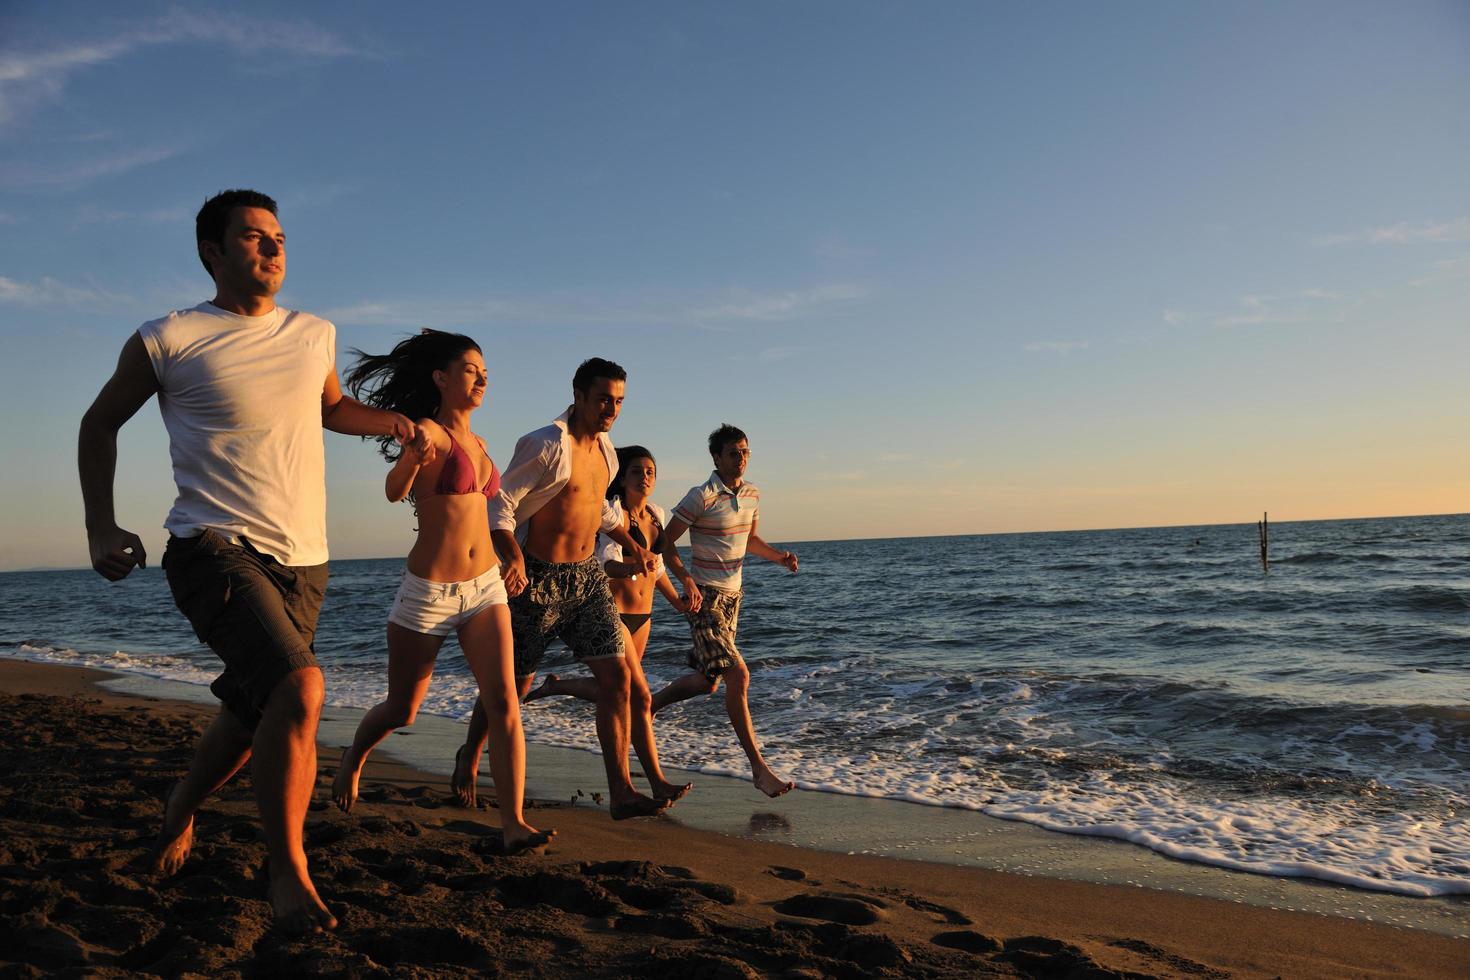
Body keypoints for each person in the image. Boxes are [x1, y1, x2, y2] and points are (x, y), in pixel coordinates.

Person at [77, 189, 416, 934]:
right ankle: (288, 871)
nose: (273, 250)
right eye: (256, 239)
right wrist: (101, 525)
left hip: (307, 559)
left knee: (248, 710)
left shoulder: (314, 333)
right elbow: (99, 422)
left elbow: (328, 410)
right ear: (213, 252)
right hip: (212, 546)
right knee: (299, 689)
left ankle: (179, 808)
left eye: (280, 239)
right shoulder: (170, 337)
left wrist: (395, 423)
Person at [327, 331, 551, 856]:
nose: (483, 378)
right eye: (472, 369)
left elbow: (491, 513)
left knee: (504, 702)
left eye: (485, 371)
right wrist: (410, 455)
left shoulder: (481, 444)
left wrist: (512, 556)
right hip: (428, 592)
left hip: (484, 589)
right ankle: (354, 757)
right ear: (441, 378)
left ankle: (513, 822)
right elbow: (394, 490)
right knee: (402, 710)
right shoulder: (430, 431)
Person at [450, 359, 670, 820]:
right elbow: (500, 505)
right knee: (511, 686)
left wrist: (634, 545)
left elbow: (599, 512)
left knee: (618, 679)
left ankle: (621, 791)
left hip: (586, 581)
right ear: (579, 395)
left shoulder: (608, 452)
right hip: (535, 580)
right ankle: (470, 753)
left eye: (619, 401)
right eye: (604, 399)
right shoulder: (547, 444)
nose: (612, 409)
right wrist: (510, 553)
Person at [524, 446, 692, 803]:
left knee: (623, 693)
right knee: (642, 697)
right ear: (622, 477)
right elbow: (604, 566)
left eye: (650, 471)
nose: (645, 476)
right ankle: (656, 781)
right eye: (636, 471)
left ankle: (559, 685)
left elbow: (657, 567)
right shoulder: (612, 513)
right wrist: (632, 567)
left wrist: (676, 599)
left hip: (643, 617)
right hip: (612, 613)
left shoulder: (657, 515)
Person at [652, 424, 798, 798]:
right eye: (734, 452)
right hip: (704, 598)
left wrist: (779, 557)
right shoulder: (700, 496)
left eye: (746, 451)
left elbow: (749, 540)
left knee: (708, 681)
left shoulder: (751, 494)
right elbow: (664, 543)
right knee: (740, 676)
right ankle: (759, 769)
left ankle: (649, 706)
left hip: (733, 599)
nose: (742, 458)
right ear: (716, 457)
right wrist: (683, 578)